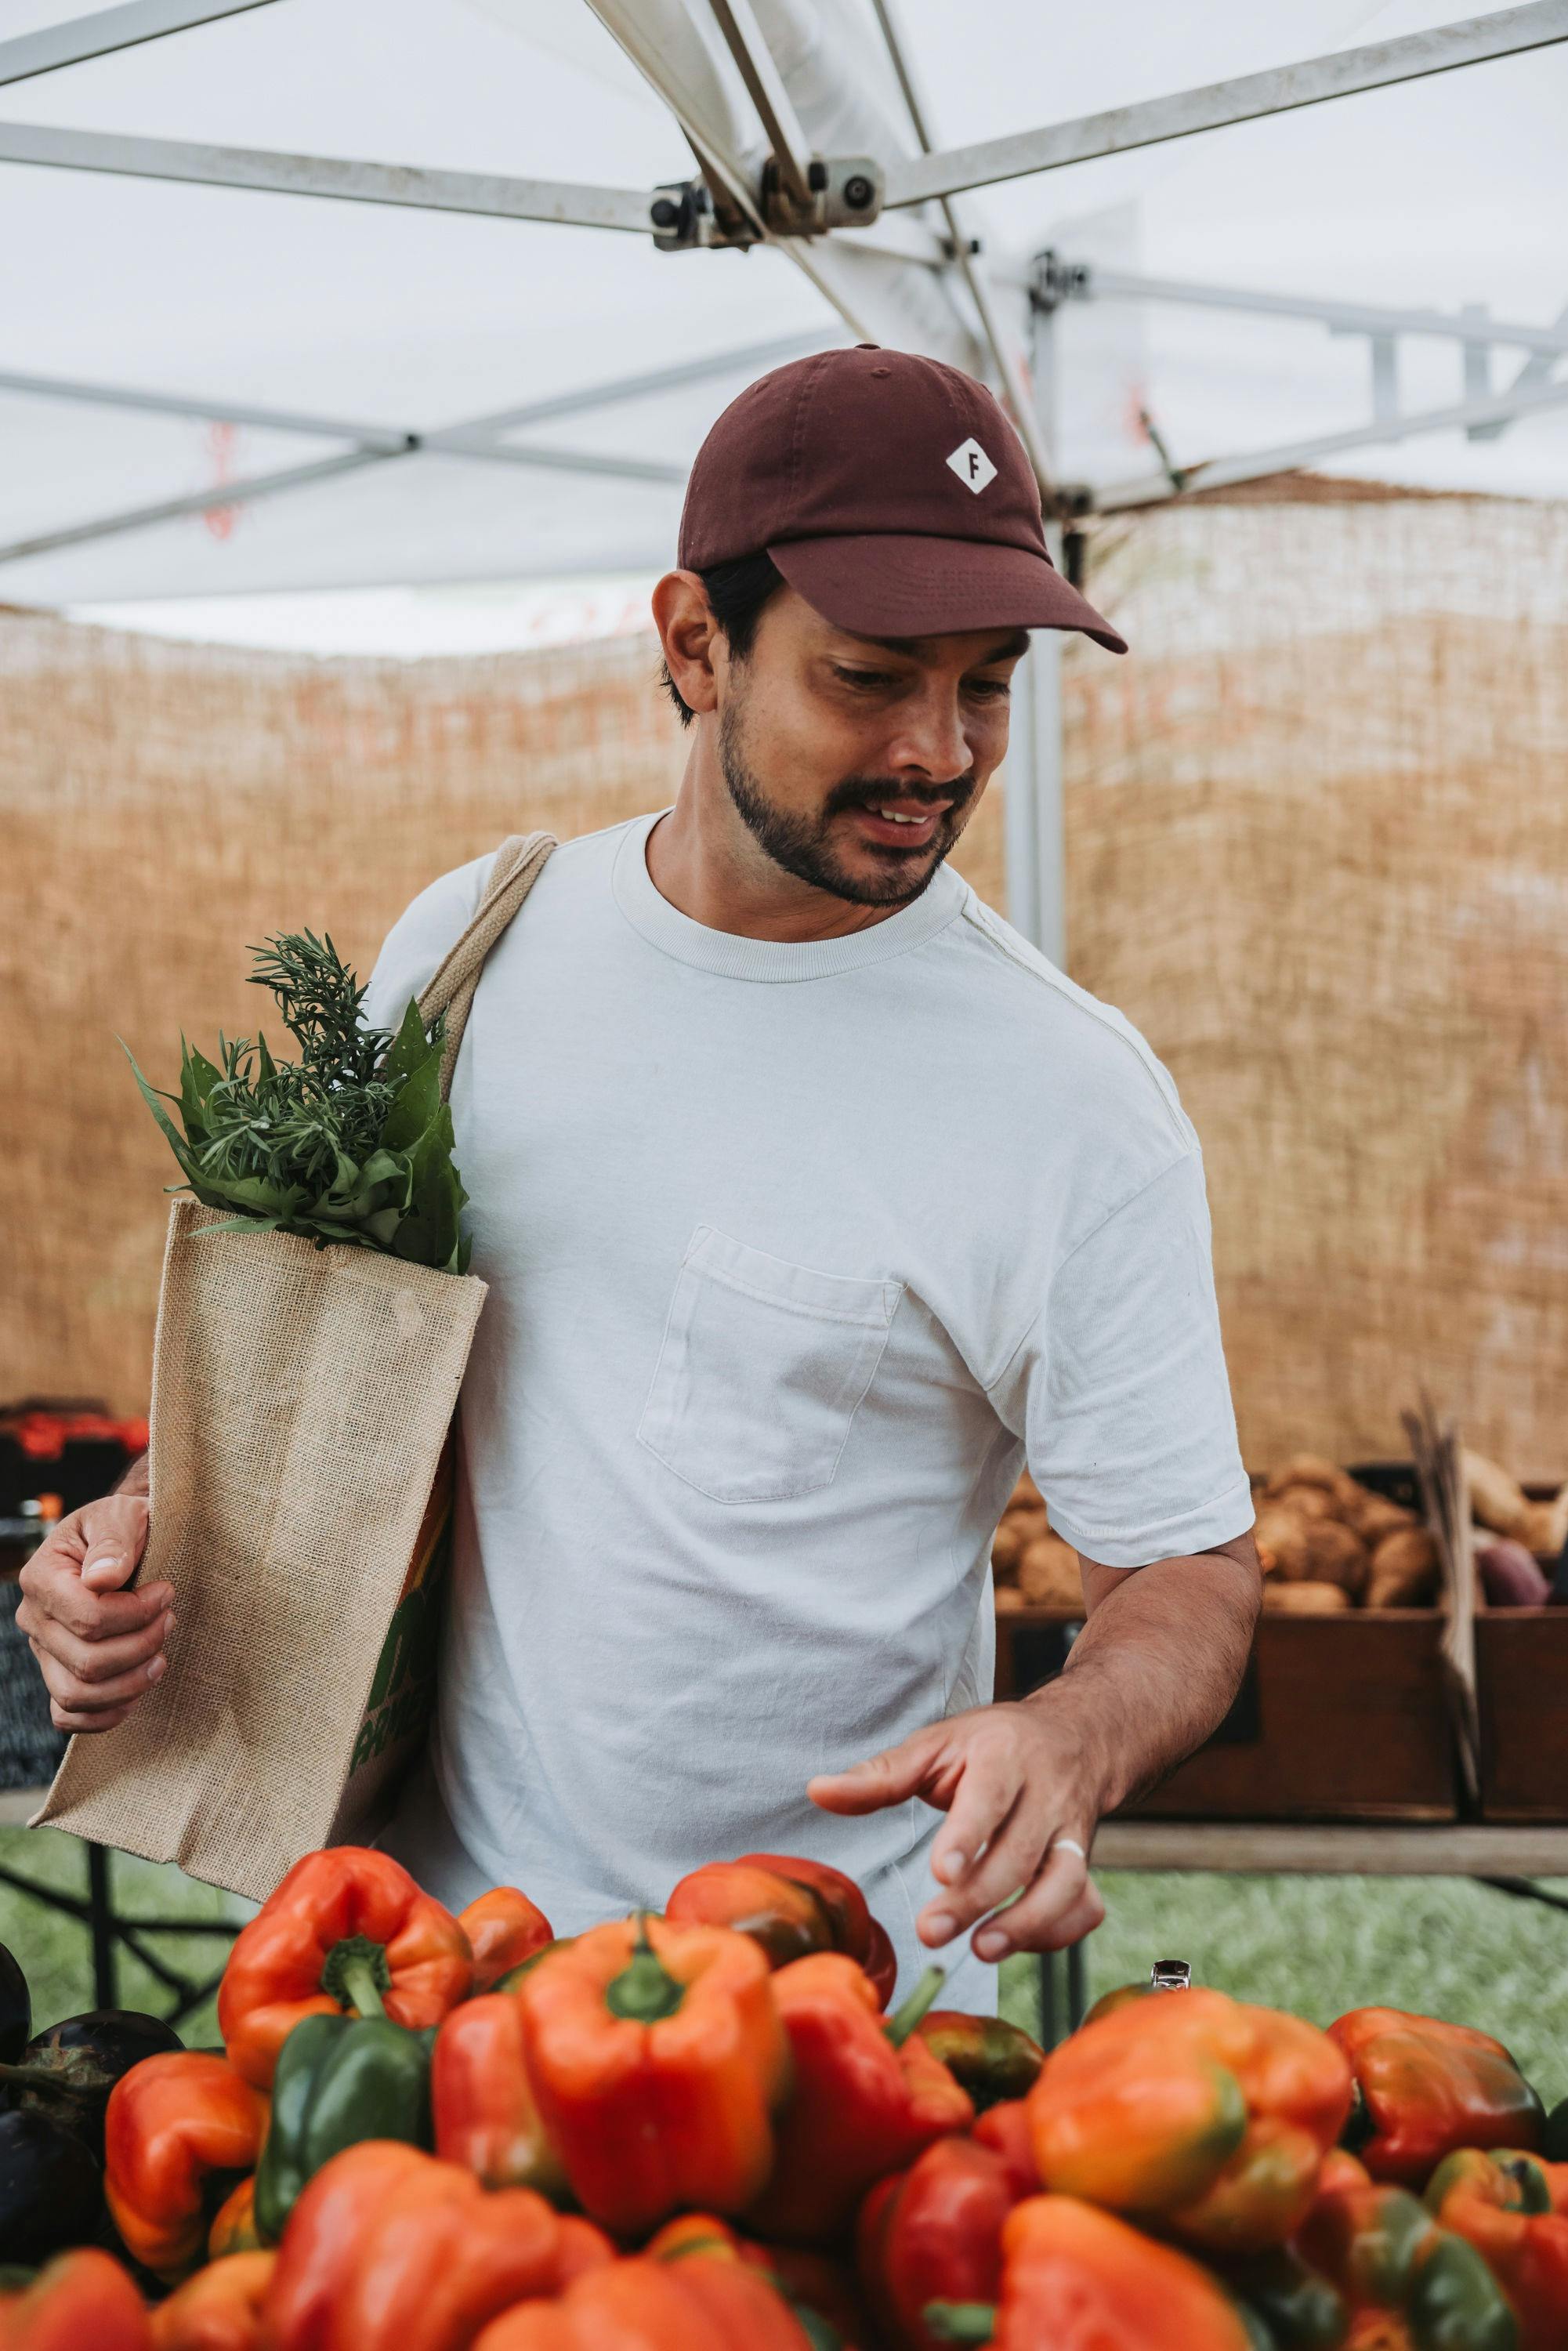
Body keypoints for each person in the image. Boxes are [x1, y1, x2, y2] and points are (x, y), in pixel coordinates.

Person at [18, 348, 1258, 2008]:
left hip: (835, 2011)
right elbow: (321, 1367)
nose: (937, 751)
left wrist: (1070, 1729)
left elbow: (1182, 1568)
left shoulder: (1070, 1100)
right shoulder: (475, 946)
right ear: (693, 642)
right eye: (870, 676)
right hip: (440, 1963)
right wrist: (135, 1533)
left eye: (985, 684)